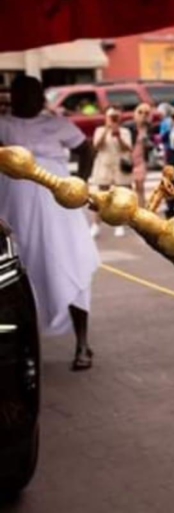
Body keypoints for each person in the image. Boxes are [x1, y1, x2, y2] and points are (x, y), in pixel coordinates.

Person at [0, 76, 99, 370]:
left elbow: (87, 150)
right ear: (12, 97)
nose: (28, 100)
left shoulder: (56, 124)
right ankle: (21, 347)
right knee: (18, 274)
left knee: (69, 265)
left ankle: (82, 344)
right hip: (14, 210)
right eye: (21, 94)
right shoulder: (3, 124)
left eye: (33, 94)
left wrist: (79, 184)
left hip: (58, 210)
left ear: (41, 98)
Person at [90, 107, 133, 239]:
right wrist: (107, 130)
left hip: (119, 166)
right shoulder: (100, 130)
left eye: (116, 117)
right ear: (106, 118)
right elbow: (96, 146)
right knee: (101, 197)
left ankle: (118, 224)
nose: (113, 119)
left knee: (119, 197)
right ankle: (96, 225)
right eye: (111, 116)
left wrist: (118, 136)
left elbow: (128, 148)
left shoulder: (124, 131)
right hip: (104, 165)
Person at [130, 103, 154, 206]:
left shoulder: (150, 128)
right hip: (128, 159)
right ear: (135, 113)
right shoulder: (129, 126)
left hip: (141, 160)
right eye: (140, 112)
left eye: (146, 113)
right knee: (127, 187)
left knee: (140, 186)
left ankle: (141, 209)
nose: (143, 115)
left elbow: (153, 145)